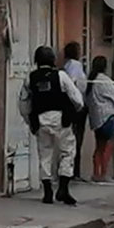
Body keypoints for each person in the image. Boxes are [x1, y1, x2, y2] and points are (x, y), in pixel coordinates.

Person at [19, 46, 83, 205]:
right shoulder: (61, 76)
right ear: (52, 60)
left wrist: (30, 121)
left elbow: (23, 102)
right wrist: (76, 111)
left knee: (45, 155)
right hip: (61, 120)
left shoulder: (31, 78)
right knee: (67, 152)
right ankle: (63, 188)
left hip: (41, 120)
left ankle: (47, 192)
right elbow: (76, 98)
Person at [86, 56, 114, 182]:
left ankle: (96, 173)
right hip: (108, 116)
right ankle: (104, 174)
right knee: (109, 145)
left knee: (99, 147)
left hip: (96, 119)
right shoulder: (105, 80)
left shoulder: (91, 81)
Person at [62, 42, 89, 179]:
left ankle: (72, 170)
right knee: (76, 139)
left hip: (73, 106)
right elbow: (72, 83)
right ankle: (73, 171)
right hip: (77, 106)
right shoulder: (74, 65)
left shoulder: (67, 65)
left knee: (73, 139)